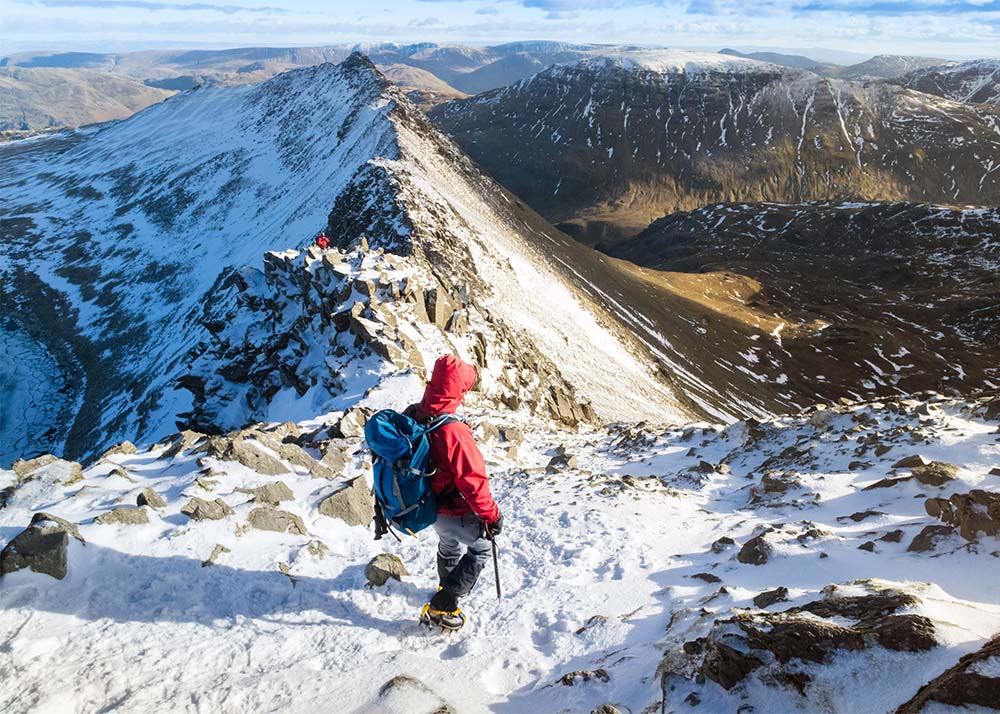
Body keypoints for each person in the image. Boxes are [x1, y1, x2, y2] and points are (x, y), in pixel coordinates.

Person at [406, 354, 504, 629]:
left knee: (448, 544)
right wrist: (491, 515)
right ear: (456, 390)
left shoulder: (416, 413)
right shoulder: (453, 431)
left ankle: (444, 588)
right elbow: (473, 482)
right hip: (456, 508)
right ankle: (444, 605)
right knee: (482, 548)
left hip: (429, 506)